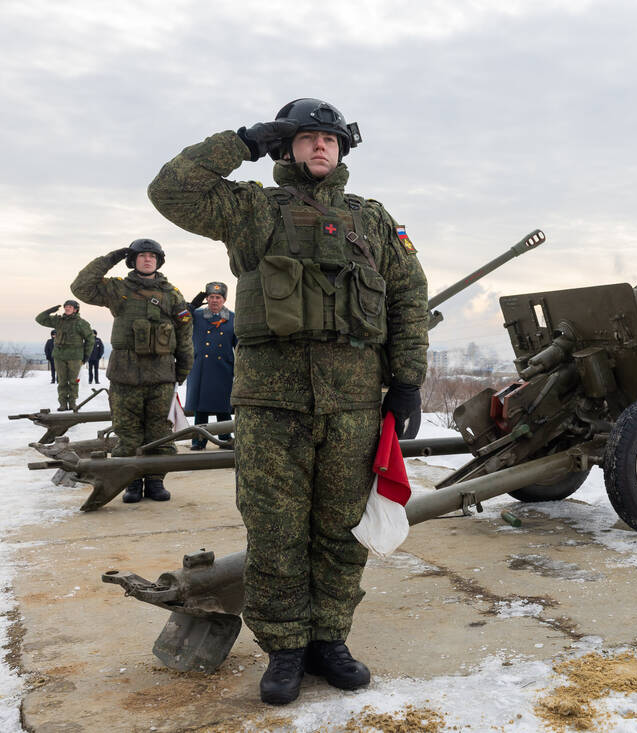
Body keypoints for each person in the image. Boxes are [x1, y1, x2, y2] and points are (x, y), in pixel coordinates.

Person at [148, 98, 428, 706]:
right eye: (305, 138)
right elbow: (172, 190)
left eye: (329, 139)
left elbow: (408, 298)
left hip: (353, 406)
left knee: (341, 531)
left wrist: (406, 382)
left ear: (343, 150)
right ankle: (285, 649)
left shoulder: (373, 222)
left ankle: (330, 639)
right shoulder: (251, 209)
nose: (320, 146)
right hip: (271, 406)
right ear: (287, 148)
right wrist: (244, 141)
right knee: (275, 533)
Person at [71, 239, 193, 503]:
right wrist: (110, 257)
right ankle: (132, 482)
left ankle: (155, 481)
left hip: (160, 377)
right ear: (133, 260)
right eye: (141, 256)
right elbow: (81, 287)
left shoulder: (172, 294)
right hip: (125, 376)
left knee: (160, 434)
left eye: (152, 256)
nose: (147, 260)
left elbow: (184, 334)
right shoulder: (118, 289)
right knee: (127, 433)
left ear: (158, 261)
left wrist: (182, 369)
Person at [185, 281, 236, 450]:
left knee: (223, 406)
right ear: (207, 298)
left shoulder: (233, 318)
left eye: (218, 297)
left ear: (224, 300)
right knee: (201, 407)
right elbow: (179, 318)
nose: (215, 300)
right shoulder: (197, 315)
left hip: (223, 368)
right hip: (201, 368)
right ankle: (198, 440)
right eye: (211, 297)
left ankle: (226, 437)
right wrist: (192, 306)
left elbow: (239, 344)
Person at [35, 301, 93, 410]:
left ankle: (72, 403)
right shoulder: (58, 321)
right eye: (66, 306)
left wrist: (86, 356)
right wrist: (50, 311)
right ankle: (62, 403)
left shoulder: (81, 323)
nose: (67, 308)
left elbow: (90, 339)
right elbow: (39, 319)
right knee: (61, 381)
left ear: (75, 309)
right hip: (59, 356)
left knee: (73, 381)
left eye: (70, 307)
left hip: (75, 357)